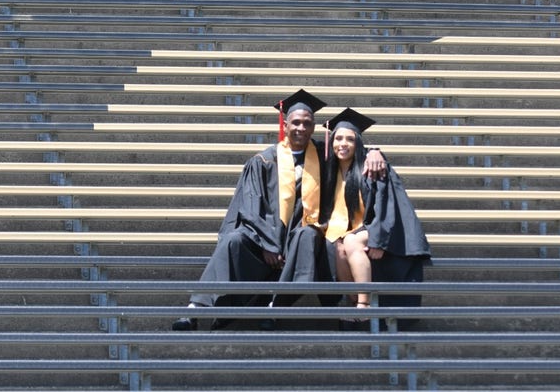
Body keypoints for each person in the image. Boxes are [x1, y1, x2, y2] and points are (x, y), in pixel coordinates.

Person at [172, 90, 387, 331]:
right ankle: (194, 309)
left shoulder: (324, 159)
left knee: (308, 235)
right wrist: (268, 244)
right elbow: (251, 207)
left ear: (313, 127)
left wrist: (375, 151)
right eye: (296, 122)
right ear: (285, 125)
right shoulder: (263, 162)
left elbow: (350, 151)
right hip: (263, 240)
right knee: (233, 240)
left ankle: (276, 306)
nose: (301, 128)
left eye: (307, 123)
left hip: (300, 241)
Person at [319, 108, 431, 328]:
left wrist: (379, 239)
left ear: (358, 143)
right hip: (347, 232)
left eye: (350, 139)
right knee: (338, 247)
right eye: (338, 138)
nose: (343, 143)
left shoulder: (373, 168)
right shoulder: (328, 171)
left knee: (350, 241)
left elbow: (388, 205)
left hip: (379, 231)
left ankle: (365, 305)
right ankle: (353, 302)